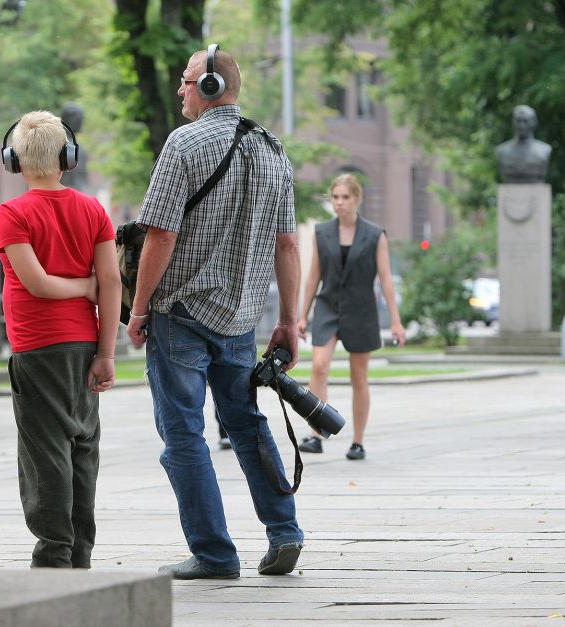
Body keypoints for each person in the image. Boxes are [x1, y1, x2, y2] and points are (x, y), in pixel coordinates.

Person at [125, 44, 305, 580]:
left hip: (178, 312)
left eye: (185, 82)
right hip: (240, 320)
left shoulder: (184, 143)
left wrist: (137, 309)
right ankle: (285, 532)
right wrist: (288, 321)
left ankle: (214, 554)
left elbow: (160, 233)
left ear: (208, 88)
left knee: (183, 435)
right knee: (247, 425)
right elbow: (288, 245)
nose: (179, 90)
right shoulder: (273, 150)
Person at [0, 110, 121, 569]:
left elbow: (39, 284)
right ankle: (80, 550)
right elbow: (111, 281)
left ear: (15, 161)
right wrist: (106, 352)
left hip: (37, 348)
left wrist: (79, 288)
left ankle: (54, 552)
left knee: (44, 450)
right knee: (82, 446)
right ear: (68, 158)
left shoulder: (12, 213)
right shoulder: (92, 210)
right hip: (85, 344)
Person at [297, 174, 406, 459]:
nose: (339, 203)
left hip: (361, 310)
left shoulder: (374, 234)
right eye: (335, 197)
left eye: (345, 197)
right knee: (319, 366)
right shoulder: (322, 232)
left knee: (359, 376)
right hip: (328, 305)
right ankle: (316, 434)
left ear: (357, 199)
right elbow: (313, 278)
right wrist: (302, 315)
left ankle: (357, 441)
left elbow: (385, 280)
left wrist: (396, 321)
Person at [495, 105, 551, 184]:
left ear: (534, 122)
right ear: (513, 122)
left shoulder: (544, 150)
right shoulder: (502, 151)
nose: (521, 125)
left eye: (525, 121)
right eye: (518, 121)